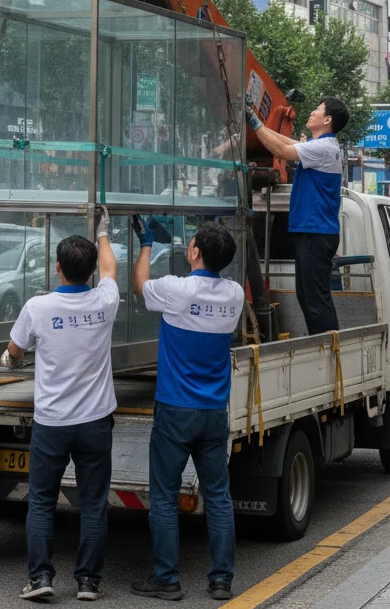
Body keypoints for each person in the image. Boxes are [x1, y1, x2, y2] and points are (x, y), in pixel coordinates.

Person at [1, 209, 120, 602]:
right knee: (93, 504)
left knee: (41, 501)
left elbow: (15, 352)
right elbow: (110, 269)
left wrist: (10, 360)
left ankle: (40, 579)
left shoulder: (39, 307)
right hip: (95, 421)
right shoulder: (105, 301)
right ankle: (88, 581)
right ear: (87, 272)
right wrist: (103, 233)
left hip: (52, 422)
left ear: (57, 268)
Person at [130, 220, 244, 602]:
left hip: (176, 410)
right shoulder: (234, 294)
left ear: (195, 253)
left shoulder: (176, 290)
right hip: (214, 411)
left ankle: (167, 579)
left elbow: (140, 283)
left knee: (164, 496)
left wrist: (146, 243)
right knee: (218, 497)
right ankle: (221, 580)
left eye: (191, 243)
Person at [247, 97, 349, 336]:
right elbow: (286, 141)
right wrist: (259, 123)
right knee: (308, 295)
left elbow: (280, 150)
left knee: (314, 298)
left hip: (317, 231)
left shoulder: (323, 148)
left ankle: (325, 346)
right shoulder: (324, 145)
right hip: (314, 230)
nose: (312, 112)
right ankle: (324, 343)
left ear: (327, 119)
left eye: (317, 109)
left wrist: (252, 120)